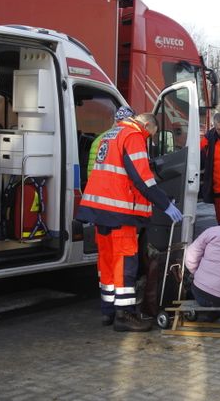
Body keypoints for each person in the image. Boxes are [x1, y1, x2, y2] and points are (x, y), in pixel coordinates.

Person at [77, 112, 183, 332]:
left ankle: (108, 311)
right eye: (150, 134)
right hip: (119, 211)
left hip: (99, 209)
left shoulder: (111, 135)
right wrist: (165, 204)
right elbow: (142, 178)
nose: (149, 138)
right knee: (125, 262)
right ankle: (124, 316)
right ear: (146, 125)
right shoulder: (133, 135)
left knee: (107, 262)